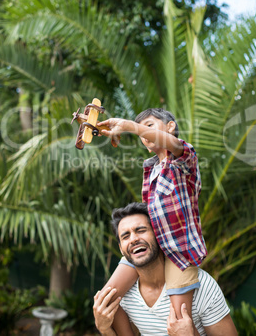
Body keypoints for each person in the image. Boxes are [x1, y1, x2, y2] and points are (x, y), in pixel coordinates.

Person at [98, 108, 207, 333]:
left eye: (149, 126)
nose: (144, 135)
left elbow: (175, 145)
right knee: (105, 300)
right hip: (153, 247)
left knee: (179, 323)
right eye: (141, 133)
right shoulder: (150, 171)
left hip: (179, 254)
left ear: (170, 127)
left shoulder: (184, 161)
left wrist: (129, 126)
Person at [93, 203, 238, 336]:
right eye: (125, 236)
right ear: (121, 248)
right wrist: (105, 329)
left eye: (141, 230)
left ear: (159, 236)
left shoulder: (202, 286)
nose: (133, 239)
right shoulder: (123, 296)